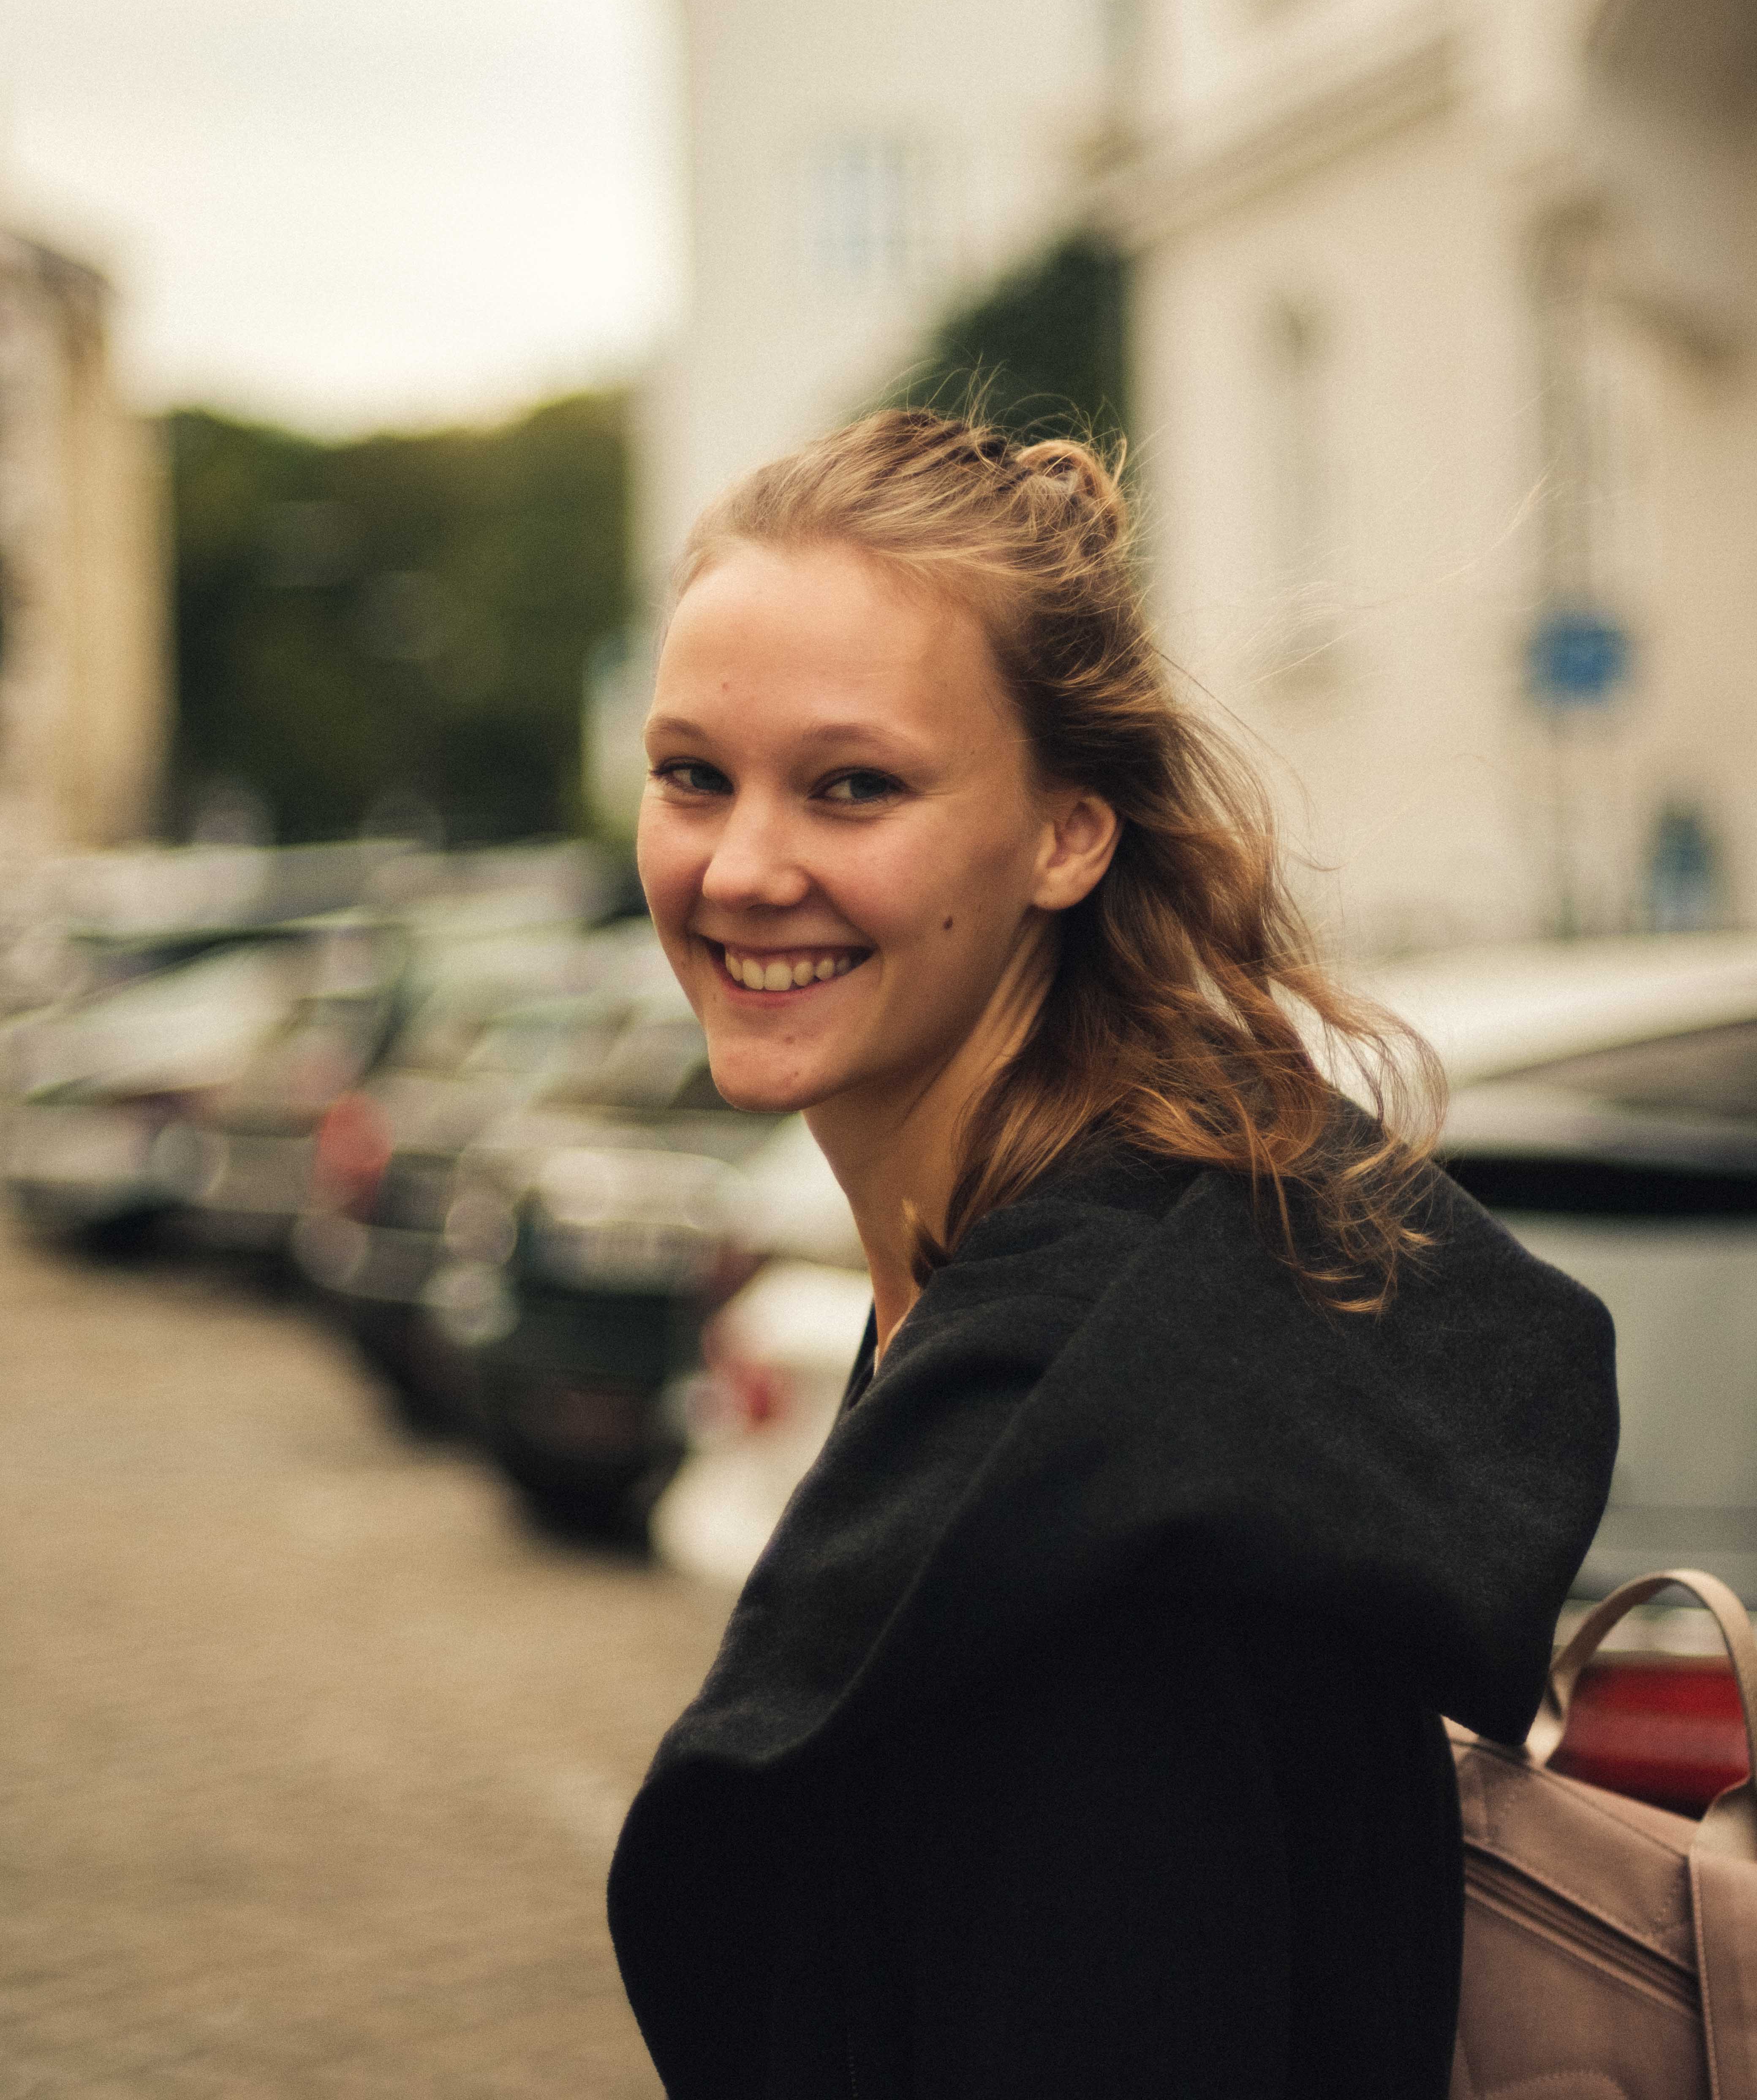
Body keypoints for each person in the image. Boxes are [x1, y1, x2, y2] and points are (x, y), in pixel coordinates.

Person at [608, 409, 1618, 2100]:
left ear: (1067, 836)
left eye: (853, 786)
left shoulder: (1101, 1478)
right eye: (692, 775)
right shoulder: (1062, 1296)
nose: (743, 867)